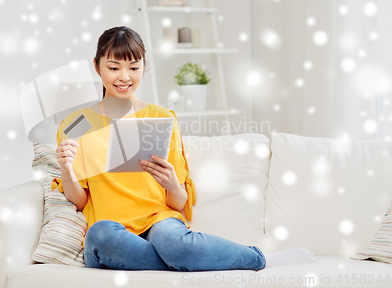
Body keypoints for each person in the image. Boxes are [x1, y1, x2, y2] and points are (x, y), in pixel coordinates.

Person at [55, 26, 316, 271]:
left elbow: (178, 202)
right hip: (111, 232)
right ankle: (186, 260)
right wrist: (67, 170)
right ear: (97, 67)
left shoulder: (161, 118)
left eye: (134, 67)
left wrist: (170, 183)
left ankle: (258, 258)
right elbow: (79, 200)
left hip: (159, 222)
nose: (124, 77)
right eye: (114, 68)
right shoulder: (76, 125)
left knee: (174, 242)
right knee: (100, 235)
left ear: (144, 67)